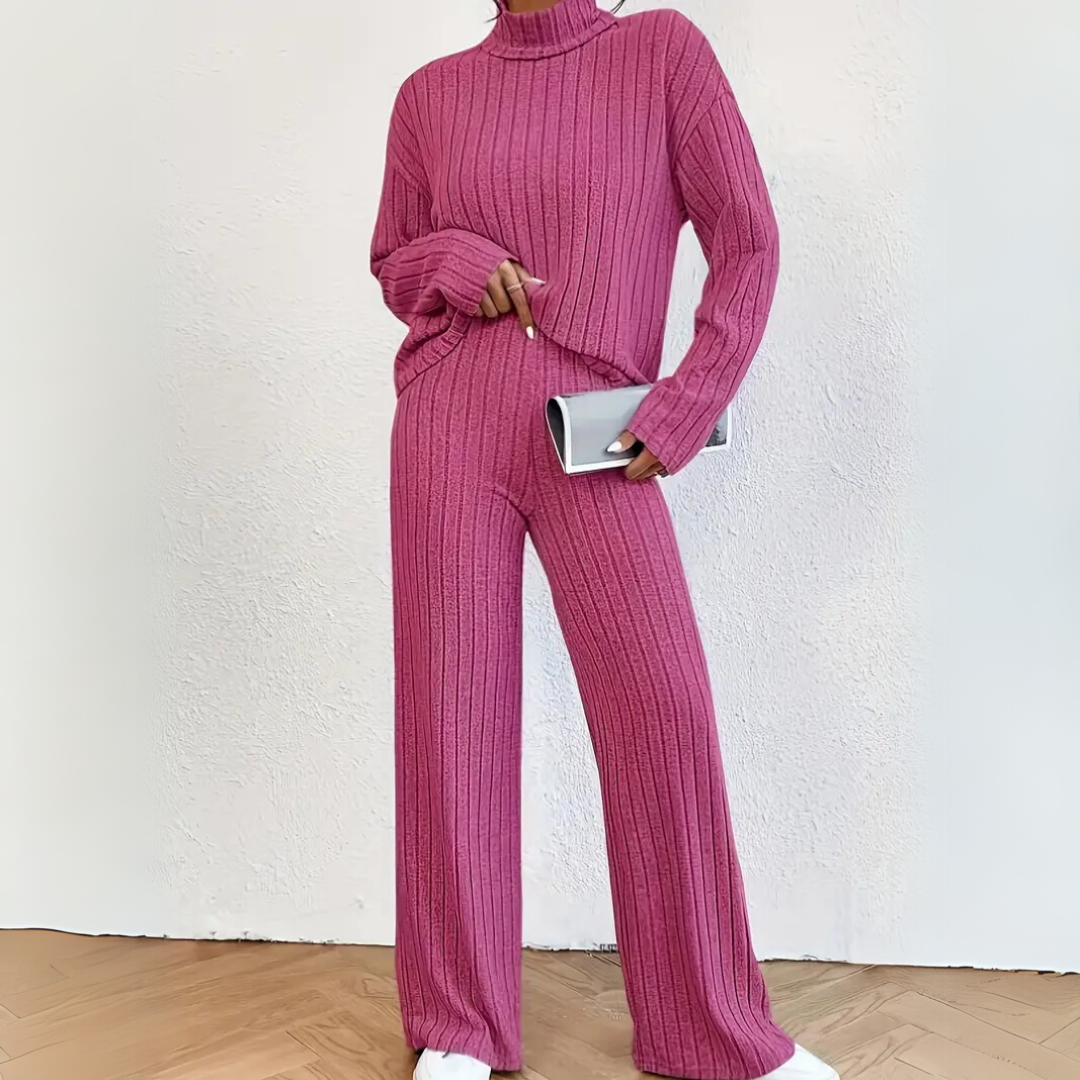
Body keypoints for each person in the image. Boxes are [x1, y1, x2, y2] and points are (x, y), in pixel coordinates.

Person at [370, 2, 837, 1078]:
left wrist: (687, 401)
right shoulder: (429, 95)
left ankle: (710, 1028)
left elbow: (748, 239)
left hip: (601, 434)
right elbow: (393, 262)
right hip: (448, 420)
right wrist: (453, 256)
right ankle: (457, 1027)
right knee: (451, 718)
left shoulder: (661, 52)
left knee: (659, 711)